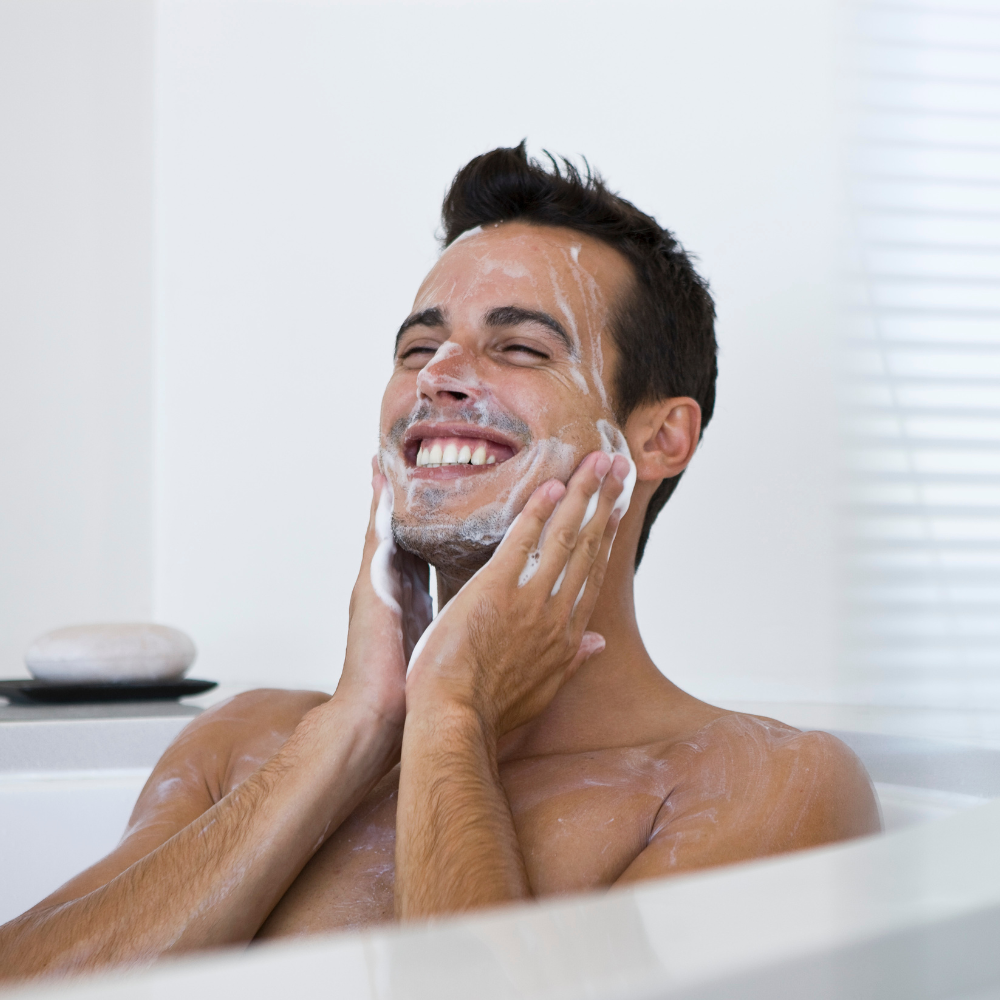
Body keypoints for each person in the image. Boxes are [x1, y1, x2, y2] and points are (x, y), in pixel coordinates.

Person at [0, 143, 879, 982]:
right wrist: (355, 727)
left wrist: (452, 714)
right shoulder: (247, 744)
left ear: (661, 437)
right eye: (418, 348)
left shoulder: (758, 784)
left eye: (521, 347)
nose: (438, 376)